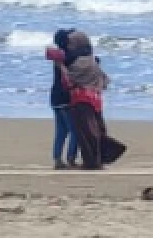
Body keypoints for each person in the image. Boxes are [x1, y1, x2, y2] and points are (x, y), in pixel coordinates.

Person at [63, 31, 126, 170]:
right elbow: (104, 80)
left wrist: (61, 67)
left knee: (86, 133)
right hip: (95, 100)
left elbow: (69, 81)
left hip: (81, 100)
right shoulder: (93, 60)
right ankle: (99, 159)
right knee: (97, 131)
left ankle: (91, 162)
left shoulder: (75, 63)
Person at [46, 29, 79, 169]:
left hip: (55, 96)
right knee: (75, 130)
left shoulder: (58, 56)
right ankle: (71, 158)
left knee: (61, 131)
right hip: (65, 97)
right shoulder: (69, 56)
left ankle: (57, 159)